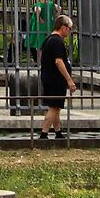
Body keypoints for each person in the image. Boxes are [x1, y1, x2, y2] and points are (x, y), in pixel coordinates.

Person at [39, 13, 77, 141]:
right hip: (55, 80)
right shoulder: (57, 41)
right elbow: (59, 61)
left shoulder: (49, 39)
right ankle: (44, 134)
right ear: (64, 27)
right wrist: (69, 80)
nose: (70, 31)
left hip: (49, 78)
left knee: (56, 107)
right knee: (54, 107)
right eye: (70, 28)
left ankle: (58, 132)